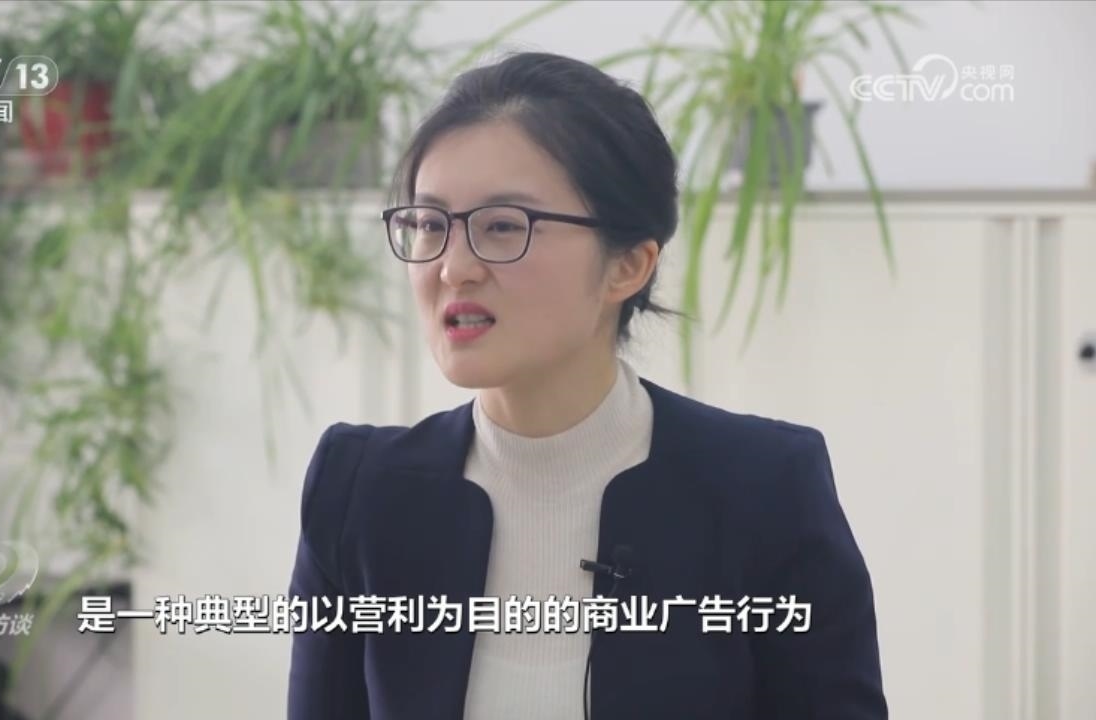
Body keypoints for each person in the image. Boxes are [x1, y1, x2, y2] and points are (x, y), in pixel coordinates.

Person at [286, 51, 886, 720]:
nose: (454, 268)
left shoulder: (765, 489)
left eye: (503, 226)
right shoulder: (358, 492)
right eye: (429, 225)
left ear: (627, 265)